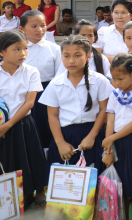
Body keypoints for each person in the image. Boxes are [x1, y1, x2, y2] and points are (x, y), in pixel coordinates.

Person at [39, 35, 112, 183]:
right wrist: (60, 143)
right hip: (65, 137)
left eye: (77, 55)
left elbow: (104, 110)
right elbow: (52, 116)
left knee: (91, 184)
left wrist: (92, 136)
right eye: (66, 56)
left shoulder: (99, 80)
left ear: (88, 56)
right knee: (65, 185)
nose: (71, 61)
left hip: (93, 135)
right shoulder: (56, 84)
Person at [0, 30, 47, 210]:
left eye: (26, 48)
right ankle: (18, 195)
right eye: (17, 49)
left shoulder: (31, 72)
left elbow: (29, 103)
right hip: (1, 125)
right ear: (2, 52)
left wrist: (8, 125)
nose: (23, 53)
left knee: (31, 158)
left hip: (23, 123)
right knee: (9, 159)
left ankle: (38, 191)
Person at [102, 53, 132, 220]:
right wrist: (108, 150)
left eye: (120, 79)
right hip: (117, 143)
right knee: (120, 186)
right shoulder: (115, 94)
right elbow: (110, 121)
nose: (116, 83)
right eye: (114, 79)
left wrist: (110, 139)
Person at [20, 10, 61, 148]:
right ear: (22, 29)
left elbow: (59, 75)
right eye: (34, 26)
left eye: (43, 25)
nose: (40, 30)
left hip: (47, 92)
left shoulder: (55, 49)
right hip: (23, 93)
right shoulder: (18, 50)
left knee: (45, 128)